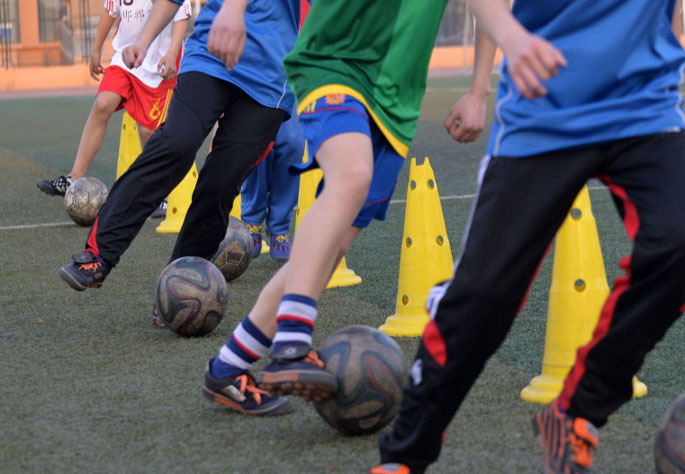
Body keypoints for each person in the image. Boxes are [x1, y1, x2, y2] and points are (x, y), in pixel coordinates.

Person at [362, 0, 685, 474]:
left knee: (682, 245)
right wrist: (508, 40)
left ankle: (576, 413)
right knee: (482, 299)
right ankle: (402, 460)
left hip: (646, 108)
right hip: (543, 111)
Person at [200, 1, 496, 417]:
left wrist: (480, 89)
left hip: (396, 100)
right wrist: (232, 9)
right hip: (332, 60)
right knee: (352, 174)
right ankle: (291, 343)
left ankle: (228, 368)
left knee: (331, 248)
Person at [57, 0, 301, 298]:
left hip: (270, 79)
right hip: (210, 57)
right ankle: (100, 255)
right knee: (175, 143)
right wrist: (143, 41)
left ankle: (181, 285)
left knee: (221, 182)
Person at [37, 0, 190, 220]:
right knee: (102, 104)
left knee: (148, 132)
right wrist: (97, 49)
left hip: (158, 66)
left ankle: (158, 197)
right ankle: (75, 178)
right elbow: (110, 11)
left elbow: (181, 15)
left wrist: (172, 52)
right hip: (125, 57)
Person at [239, 117, 304, 263]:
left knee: (293, 144)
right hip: (258, 96)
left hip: (291, 94)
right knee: (260, 140)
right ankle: (252, 221)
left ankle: (279, 228)